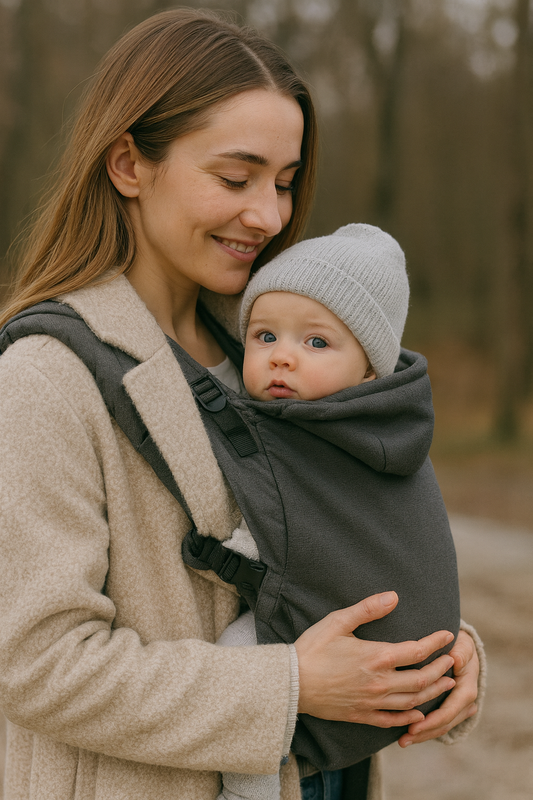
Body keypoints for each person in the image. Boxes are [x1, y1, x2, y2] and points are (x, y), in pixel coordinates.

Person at [0, 9, 484, 800]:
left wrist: (439, 653)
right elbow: (37, 664)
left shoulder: (275, 352)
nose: (270, 216)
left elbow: (342, 537)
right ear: (128, 164)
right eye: (236, 178)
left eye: (285, 183)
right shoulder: (45, 377)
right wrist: (289, 683)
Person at [208, 223, 461, 800]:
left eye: (316, 343)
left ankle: (247, 792)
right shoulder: (388, 424)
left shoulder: (308, 434)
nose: (283, 359)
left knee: (242, 654)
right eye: (265, 336)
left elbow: (287, 522)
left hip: (344, 673)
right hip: (377, 674)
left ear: (371, 368)